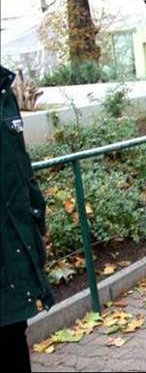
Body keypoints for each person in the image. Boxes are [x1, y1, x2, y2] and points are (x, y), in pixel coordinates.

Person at [1, 65, 55, 372]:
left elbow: (21, 164)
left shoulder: (3, 94)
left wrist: (36, 216)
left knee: (13, 340)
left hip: (14, 248)